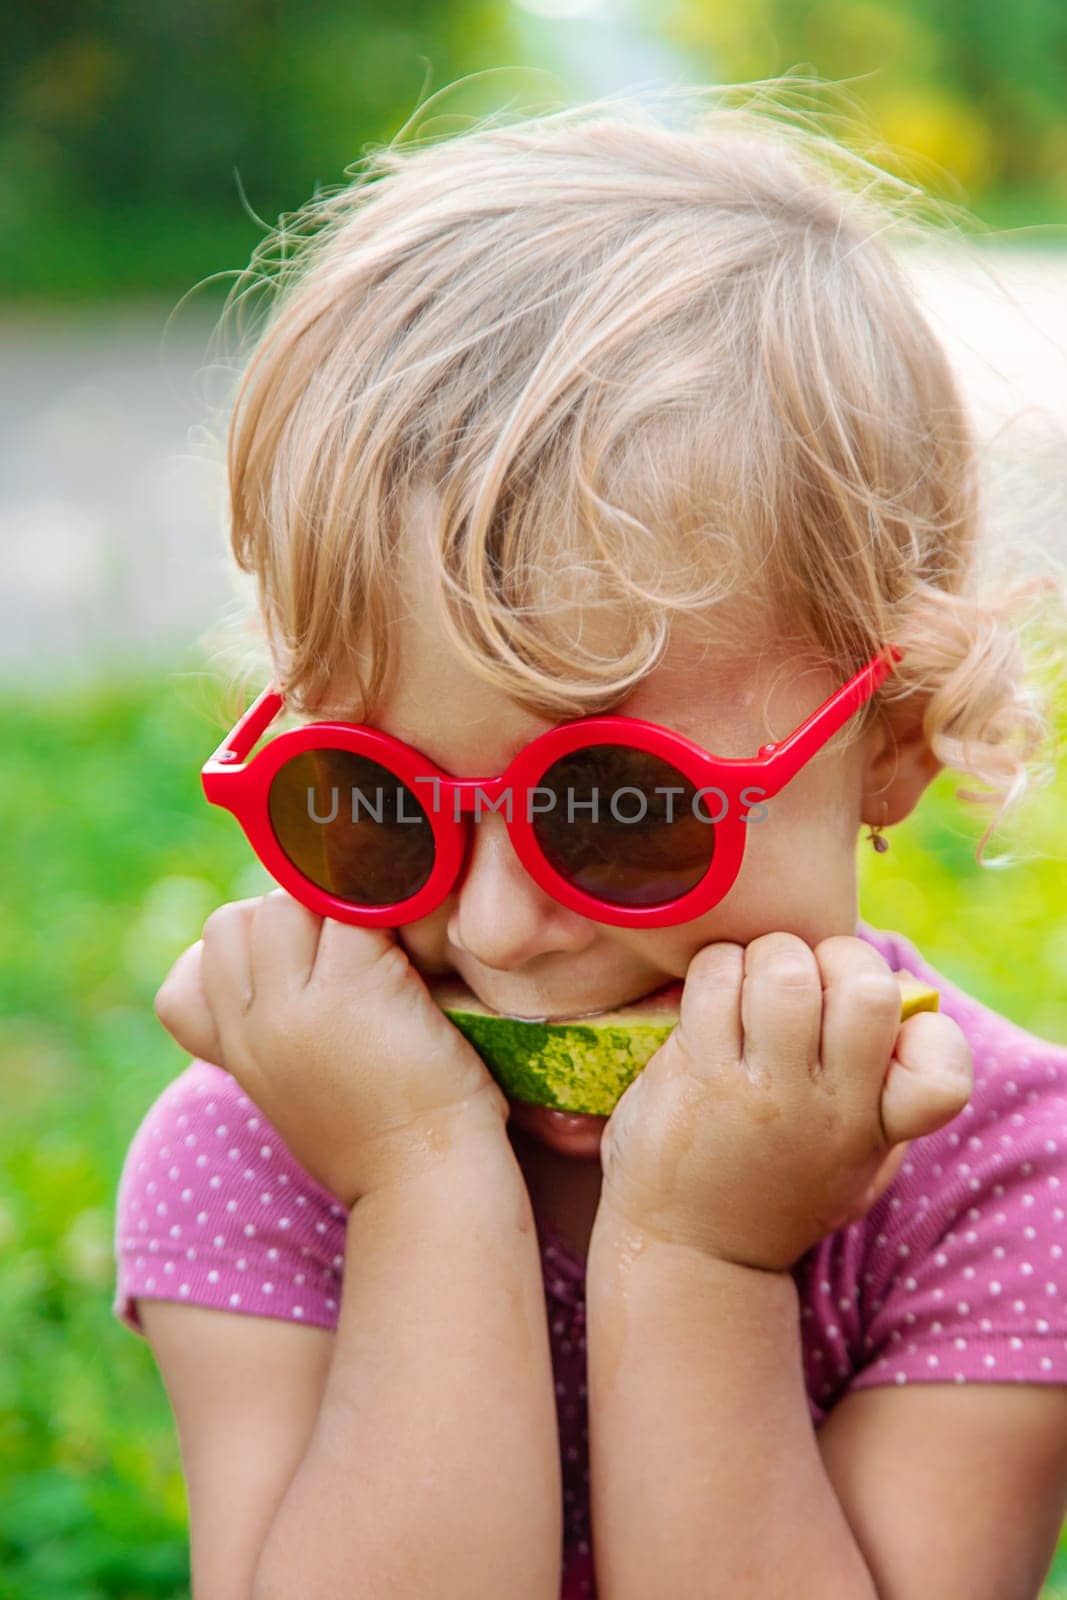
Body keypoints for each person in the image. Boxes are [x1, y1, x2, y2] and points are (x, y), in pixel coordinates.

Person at [112, 84, 1067, 1599]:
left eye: (617, 812)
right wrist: (418, 1178)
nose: (495, 933)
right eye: (373, 803)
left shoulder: (1006, 1179)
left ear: (888, 743)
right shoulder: (264, 1147)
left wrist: (704, 1259)